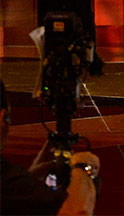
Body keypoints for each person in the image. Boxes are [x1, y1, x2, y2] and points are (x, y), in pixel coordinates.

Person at [0, 81, 101, 215]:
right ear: (3, 118)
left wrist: (27, 180)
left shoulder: (9, 184)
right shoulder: (7, 180)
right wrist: (84, 168)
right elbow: (77, 212)